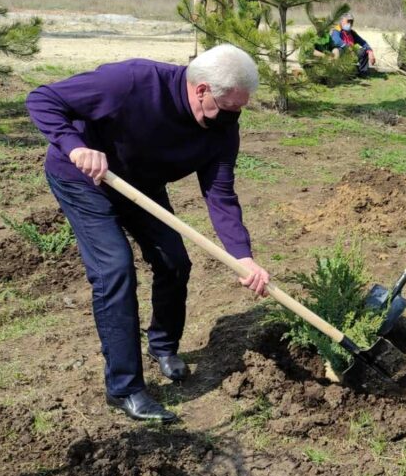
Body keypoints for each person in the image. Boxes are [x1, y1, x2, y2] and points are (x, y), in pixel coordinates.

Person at [26, 44, 272, 424]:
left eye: (241, 108)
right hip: (85, 179)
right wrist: (76, 147)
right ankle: (125, 388)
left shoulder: (223, 127)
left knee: (174, 261)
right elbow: (43, 98)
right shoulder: (131, 82)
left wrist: (242, 255)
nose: (234, 116)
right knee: (115, 270)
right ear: (202, 89)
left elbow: (220, 193)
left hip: (142, 185)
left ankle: (163, 346)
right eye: (229, 107)